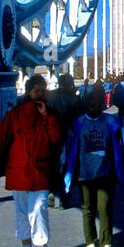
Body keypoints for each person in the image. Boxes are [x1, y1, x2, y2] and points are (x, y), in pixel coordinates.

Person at [0, 74, 63, 247]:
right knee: (22, 213)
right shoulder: (15, 114)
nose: (41, 94)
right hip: (19, 171)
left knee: (39, 211)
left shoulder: (51, 114)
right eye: (37, 90)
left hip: (40, 171)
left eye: (43, 90)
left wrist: (46, 117)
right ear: (28, 92)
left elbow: (57, 139)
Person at [65, 85, 124, 247]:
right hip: (84, 174)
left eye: (98, 103)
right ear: (87, 105)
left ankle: (106, 246)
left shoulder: (111, 122)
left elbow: (123, 146)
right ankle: (90, 245)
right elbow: (70, 148)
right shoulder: (78, 123)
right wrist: (67, 172)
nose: (94, 106)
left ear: (103, 104)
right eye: (91, 103)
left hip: (106, 173)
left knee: (105, 210)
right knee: (88, 210)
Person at [45, 73, 83, 207]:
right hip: (67, 136)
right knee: (67, 166)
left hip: (49, 136)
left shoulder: (48, 96)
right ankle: (63, 196)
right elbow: (79, 120)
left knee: (51, 164)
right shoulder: (75, 99)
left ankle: (51, 190)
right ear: (70, 84)